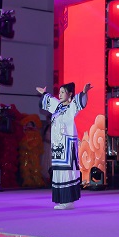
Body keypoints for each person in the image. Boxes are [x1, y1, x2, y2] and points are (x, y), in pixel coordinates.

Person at [38, 81, 91, 210]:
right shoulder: (57, 107)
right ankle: (62, 199)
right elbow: (49, 100)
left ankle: (68, 200)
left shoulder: (71, 107)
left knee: (67, 172)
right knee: (58, 171)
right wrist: (44, 93)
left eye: (63, 92)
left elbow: (80, 102)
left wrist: (84, 92)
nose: (60, 94)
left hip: (67, 145)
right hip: (57, 145)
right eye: (60, 92)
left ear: (70, 94)